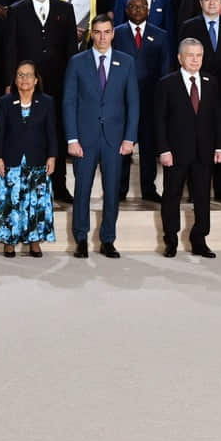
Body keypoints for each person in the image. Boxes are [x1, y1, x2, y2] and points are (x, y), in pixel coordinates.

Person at [63, 14, 139, 258]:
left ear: (113, 34)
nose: (102, 37)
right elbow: (69, 102)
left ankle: (108, 239)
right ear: (91, 34)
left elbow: (133, 104)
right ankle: (81, 238)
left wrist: (129, 138)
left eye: (107, 32)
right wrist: (72, 138)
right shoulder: (77, 62)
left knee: (112, 191)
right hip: (84, 139)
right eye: (97, 32)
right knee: (82, 190)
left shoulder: (126, 62)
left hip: (115, 140)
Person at [4, 0, 80, 201]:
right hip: (25, 85)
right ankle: (27, 186)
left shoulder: (65, 9)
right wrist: (10, 82)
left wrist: (73, 83)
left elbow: (72, 50)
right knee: (26, 132)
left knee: (57, 132)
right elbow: (10, 49)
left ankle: (59, 186)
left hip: (58, 84)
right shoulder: (17, 10)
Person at [152, 39, 221, 258]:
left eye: (199, 55)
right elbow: (159, 120)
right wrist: (163, 149)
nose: (195, 59)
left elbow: (217, 117)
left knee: (202, 197)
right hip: (175, 152)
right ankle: (171, 240)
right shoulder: (167, 83)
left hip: (204, 151)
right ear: (180, 58)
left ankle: (199, 240)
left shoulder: (211, 82)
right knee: (171, 196)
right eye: (190, 55)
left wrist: (220, 146)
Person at [178, 0, 221, 204]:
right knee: (194, 139)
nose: (212, 2)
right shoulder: (189, 26)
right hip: (195, 91)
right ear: (200, 2)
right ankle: (195, 190)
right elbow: (182, 60)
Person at [0, 61, 57, 257]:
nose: (24, 78)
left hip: (38, 159)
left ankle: (34, 241)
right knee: (9, 201)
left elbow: (52, 132)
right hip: (11, 159)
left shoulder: (46, 102)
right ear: (15, 79)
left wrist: (52, 156)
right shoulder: (5, 102)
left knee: (36, 201)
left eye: (28, 75)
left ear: (36, 80)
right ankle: (9, 241)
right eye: (20, 75)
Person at [114, 0, 172, 202]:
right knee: (123, 146)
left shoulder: (161, 35)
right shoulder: (116, 34)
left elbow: (165, 69)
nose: (137, 10)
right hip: (122, 102)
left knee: (148, 146)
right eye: (133, 7)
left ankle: (148, 189)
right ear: (126, 10)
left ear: (148, 10)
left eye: (142, 6)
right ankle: (120, 189)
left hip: (150, 101)